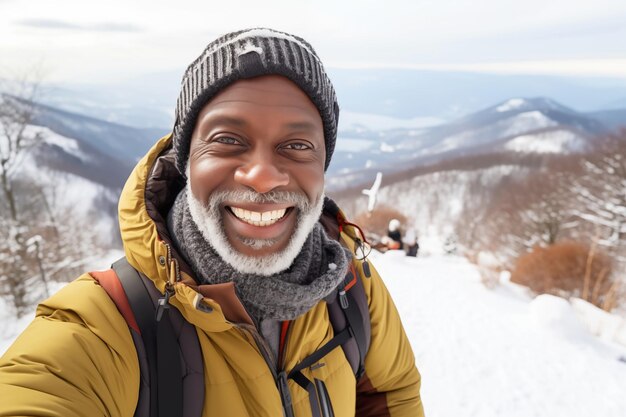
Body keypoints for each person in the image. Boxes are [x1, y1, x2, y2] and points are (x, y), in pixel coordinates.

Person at [0, 28, 423, 417]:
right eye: (227, 140)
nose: (261, 176)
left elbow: (393, 393)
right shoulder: (109, 325)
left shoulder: (350, 286)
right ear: (186, 161)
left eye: (296, 145)